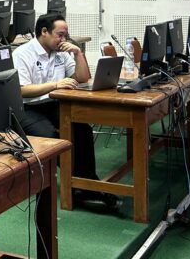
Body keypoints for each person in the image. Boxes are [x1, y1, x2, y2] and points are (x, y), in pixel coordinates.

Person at [12, 14, 119, 210]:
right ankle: (84, 186)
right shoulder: (22, 53)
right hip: (28, 108)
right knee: (53, 138)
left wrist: (78, 53)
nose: (64, 39)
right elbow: (22, 90)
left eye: (65, 35)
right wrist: (55, 84)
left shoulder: (61, 52)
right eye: (60, 35)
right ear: (44, 32)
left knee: (82, 129)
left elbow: (83, 78)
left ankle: (85, 184)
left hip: (54, 103)